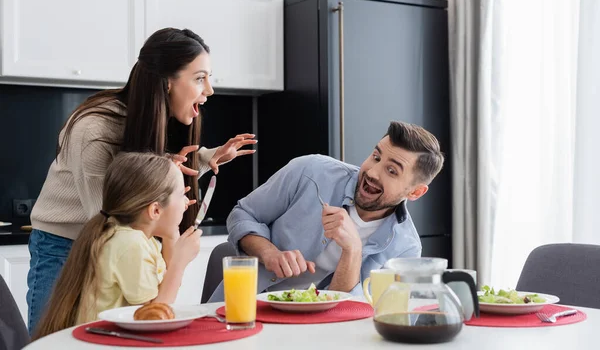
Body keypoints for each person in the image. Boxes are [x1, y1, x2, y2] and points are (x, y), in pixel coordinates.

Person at [26, 27, 256, 333]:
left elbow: (144, 191)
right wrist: (174, 256)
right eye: (200, 78)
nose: (210, 90)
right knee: (52, 338)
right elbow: (111, 217)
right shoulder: (94, 130)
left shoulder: (161, 119)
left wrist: (202, 159)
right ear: (167, 82)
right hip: (64, 244)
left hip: (116, 238)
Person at [208, 121, 444, 302]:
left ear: (415, 192)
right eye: (375, 157)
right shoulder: (311, 172)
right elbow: (243, 214)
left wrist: (352, 250)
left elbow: (350, 316)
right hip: (241, 311)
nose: (372, 172)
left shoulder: (406, 248)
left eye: (392, 171)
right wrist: (270, 253)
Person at [32, 152, 202, 340]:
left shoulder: (132, 237)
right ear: (155, 210)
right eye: (181, 195)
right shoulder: (130, 245)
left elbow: (164, 285)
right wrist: (180, 262)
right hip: (109, 343)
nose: (186, 201)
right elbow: (152, 319)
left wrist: (172, 234)